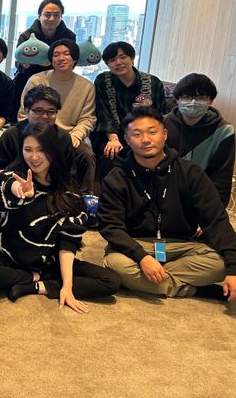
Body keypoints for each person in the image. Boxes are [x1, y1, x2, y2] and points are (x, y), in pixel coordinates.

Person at [0, 122, 119, 309]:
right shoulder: (11, 176)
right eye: (28, 149)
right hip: (8, 257)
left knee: (110, 281)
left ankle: (38, 286)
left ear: (53, 150)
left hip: (46, 262)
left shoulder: (69, 192)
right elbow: (12, 187)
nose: (34, 157)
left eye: (41, 150)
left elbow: (68, 241)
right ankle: (32, 278)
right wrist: (23, 191)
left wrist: (67, 286)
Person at [99, 107, 236, 302]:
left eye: (152, 132)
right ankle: (194, 290)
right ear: (127, 139)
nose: (146, 140)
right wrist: (142, 257)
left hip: (182, 244)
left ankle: (146, 282)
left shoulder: (191, 173)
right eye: (137, 134)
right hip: (137, 244)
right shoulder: (116, 178)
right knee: (115, 264)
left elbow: (216, 220)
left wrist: (233, 268)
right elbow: (110, 226)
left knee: (219, 265)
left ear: (164, 134)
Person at [19, 39, 96, 190]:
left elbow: (88, 118)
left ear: (75, 58)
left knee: (86, 154)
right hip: (36, 132)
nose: (61, 58)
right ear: (51, 59)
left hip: (69, 134)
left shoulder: (87, 86)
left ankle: (85, 195)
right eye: (56, 55)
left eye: (66, 54)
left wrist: (76, 135)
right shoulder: (36, 80)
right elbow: (24, 111)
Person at [93, 41, 166, 178]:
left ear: (132, 58)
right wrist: (113, 139)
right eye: (112, 60)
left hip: (144, 134)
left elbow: (159, 115)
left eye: (123, 57)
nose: (118, 63)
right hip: (111, 135)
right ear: (107, 64)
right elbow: (103, 113)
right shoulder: (102, 80)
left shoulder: (153, 83)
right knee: (111, 155)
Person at [164, 73, 234, 206]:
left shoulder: (224, 131)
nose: (193, 102)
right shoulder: (161, 124)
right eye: (187, 97)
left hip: (199, 200)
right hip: (163, 196)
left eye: (201, 98)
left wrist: (214, 212)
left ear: (211, 101)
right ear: (177, 99)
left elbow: (221, 178)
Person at [11, 0, 76, 120]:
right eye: (47, 15)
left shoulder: (69, 36)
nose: (52, 19)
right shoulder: (27, 36)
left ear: (61, 16)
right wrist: (24, 65)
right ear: (39, 16)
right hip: (29, 78)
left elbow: (71, 60)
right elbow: (18, 61)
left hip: (56, 79)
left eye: (56, 15)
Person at [0, 85, 76, 175]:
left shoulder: (63, 137)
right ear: (26, 111)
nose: (45, 116)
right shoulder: (11, 136)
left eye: (51, 111)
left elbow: (69, 173)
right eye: (38, 111)